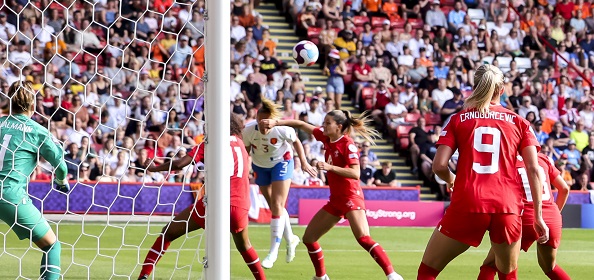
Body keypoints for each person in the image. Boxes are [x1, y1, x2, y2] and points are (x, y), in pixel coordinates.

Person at [417, 64, 549, 280]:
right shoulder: (520, 122)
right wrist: (539, 216)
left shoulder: (458, 119)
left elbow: (439, 165)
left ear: (476, 86)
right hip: (507, 205)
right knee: (507, 275)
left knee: (428, 271)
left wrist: (451, 179)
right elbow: (534, 170)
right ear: (502, 90)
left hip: (469, 201)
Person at [259, 110, 404, 280]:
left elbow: (356, 173)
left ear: (339, 126)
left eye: (328, 123)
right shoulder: (326, 138)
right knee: (309, 238)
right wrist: (276, 123)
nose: (324, 126)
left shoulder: (348, 144)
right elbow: (301, 124)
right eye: (324, 122)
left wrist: (330, 168)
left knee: (363, 238)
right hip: (335, 200)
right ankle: (321, 277)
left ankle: (392, 275)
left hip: (351, 197)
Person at [138, 113, 266, 280]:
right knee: (245, 246)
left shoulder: (211, 143)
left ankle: (144, 275)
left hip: (216, 204)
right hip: (241, 205)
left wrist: (153, 168)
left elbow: (179, 164)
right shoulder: (240, 143)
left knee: (167, 233)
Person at [0, 81, 70, 280]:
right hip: (9, 195)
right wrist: (61, 181)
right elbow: (61, 165)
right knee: (52, 245)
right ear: (33, 105)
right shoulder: (37, 131)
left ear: (10, 104)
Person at [243, 98, 316, 269]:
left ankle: (272, 252)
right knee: (275, 208)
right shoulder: (248, 130)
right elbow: (246, 150)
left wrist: (303, 162)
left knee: (277, 205)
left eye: (268, 125)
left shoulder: (282, 129)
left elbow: (296, 141)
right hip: (260, 166)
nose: (265, 128)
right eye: (262, 124)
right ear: (257, 119)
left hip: (281, 163)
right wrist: (245, 169)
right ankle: (291, 238)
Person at [478, 152, 571, 280]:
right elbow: (564, 189)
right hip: (552, 216)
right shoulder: (543, 158)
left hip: (524, 217)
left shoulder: (506, 159)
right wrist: (553, 215)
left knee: (490, 265)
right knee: (550, 267)